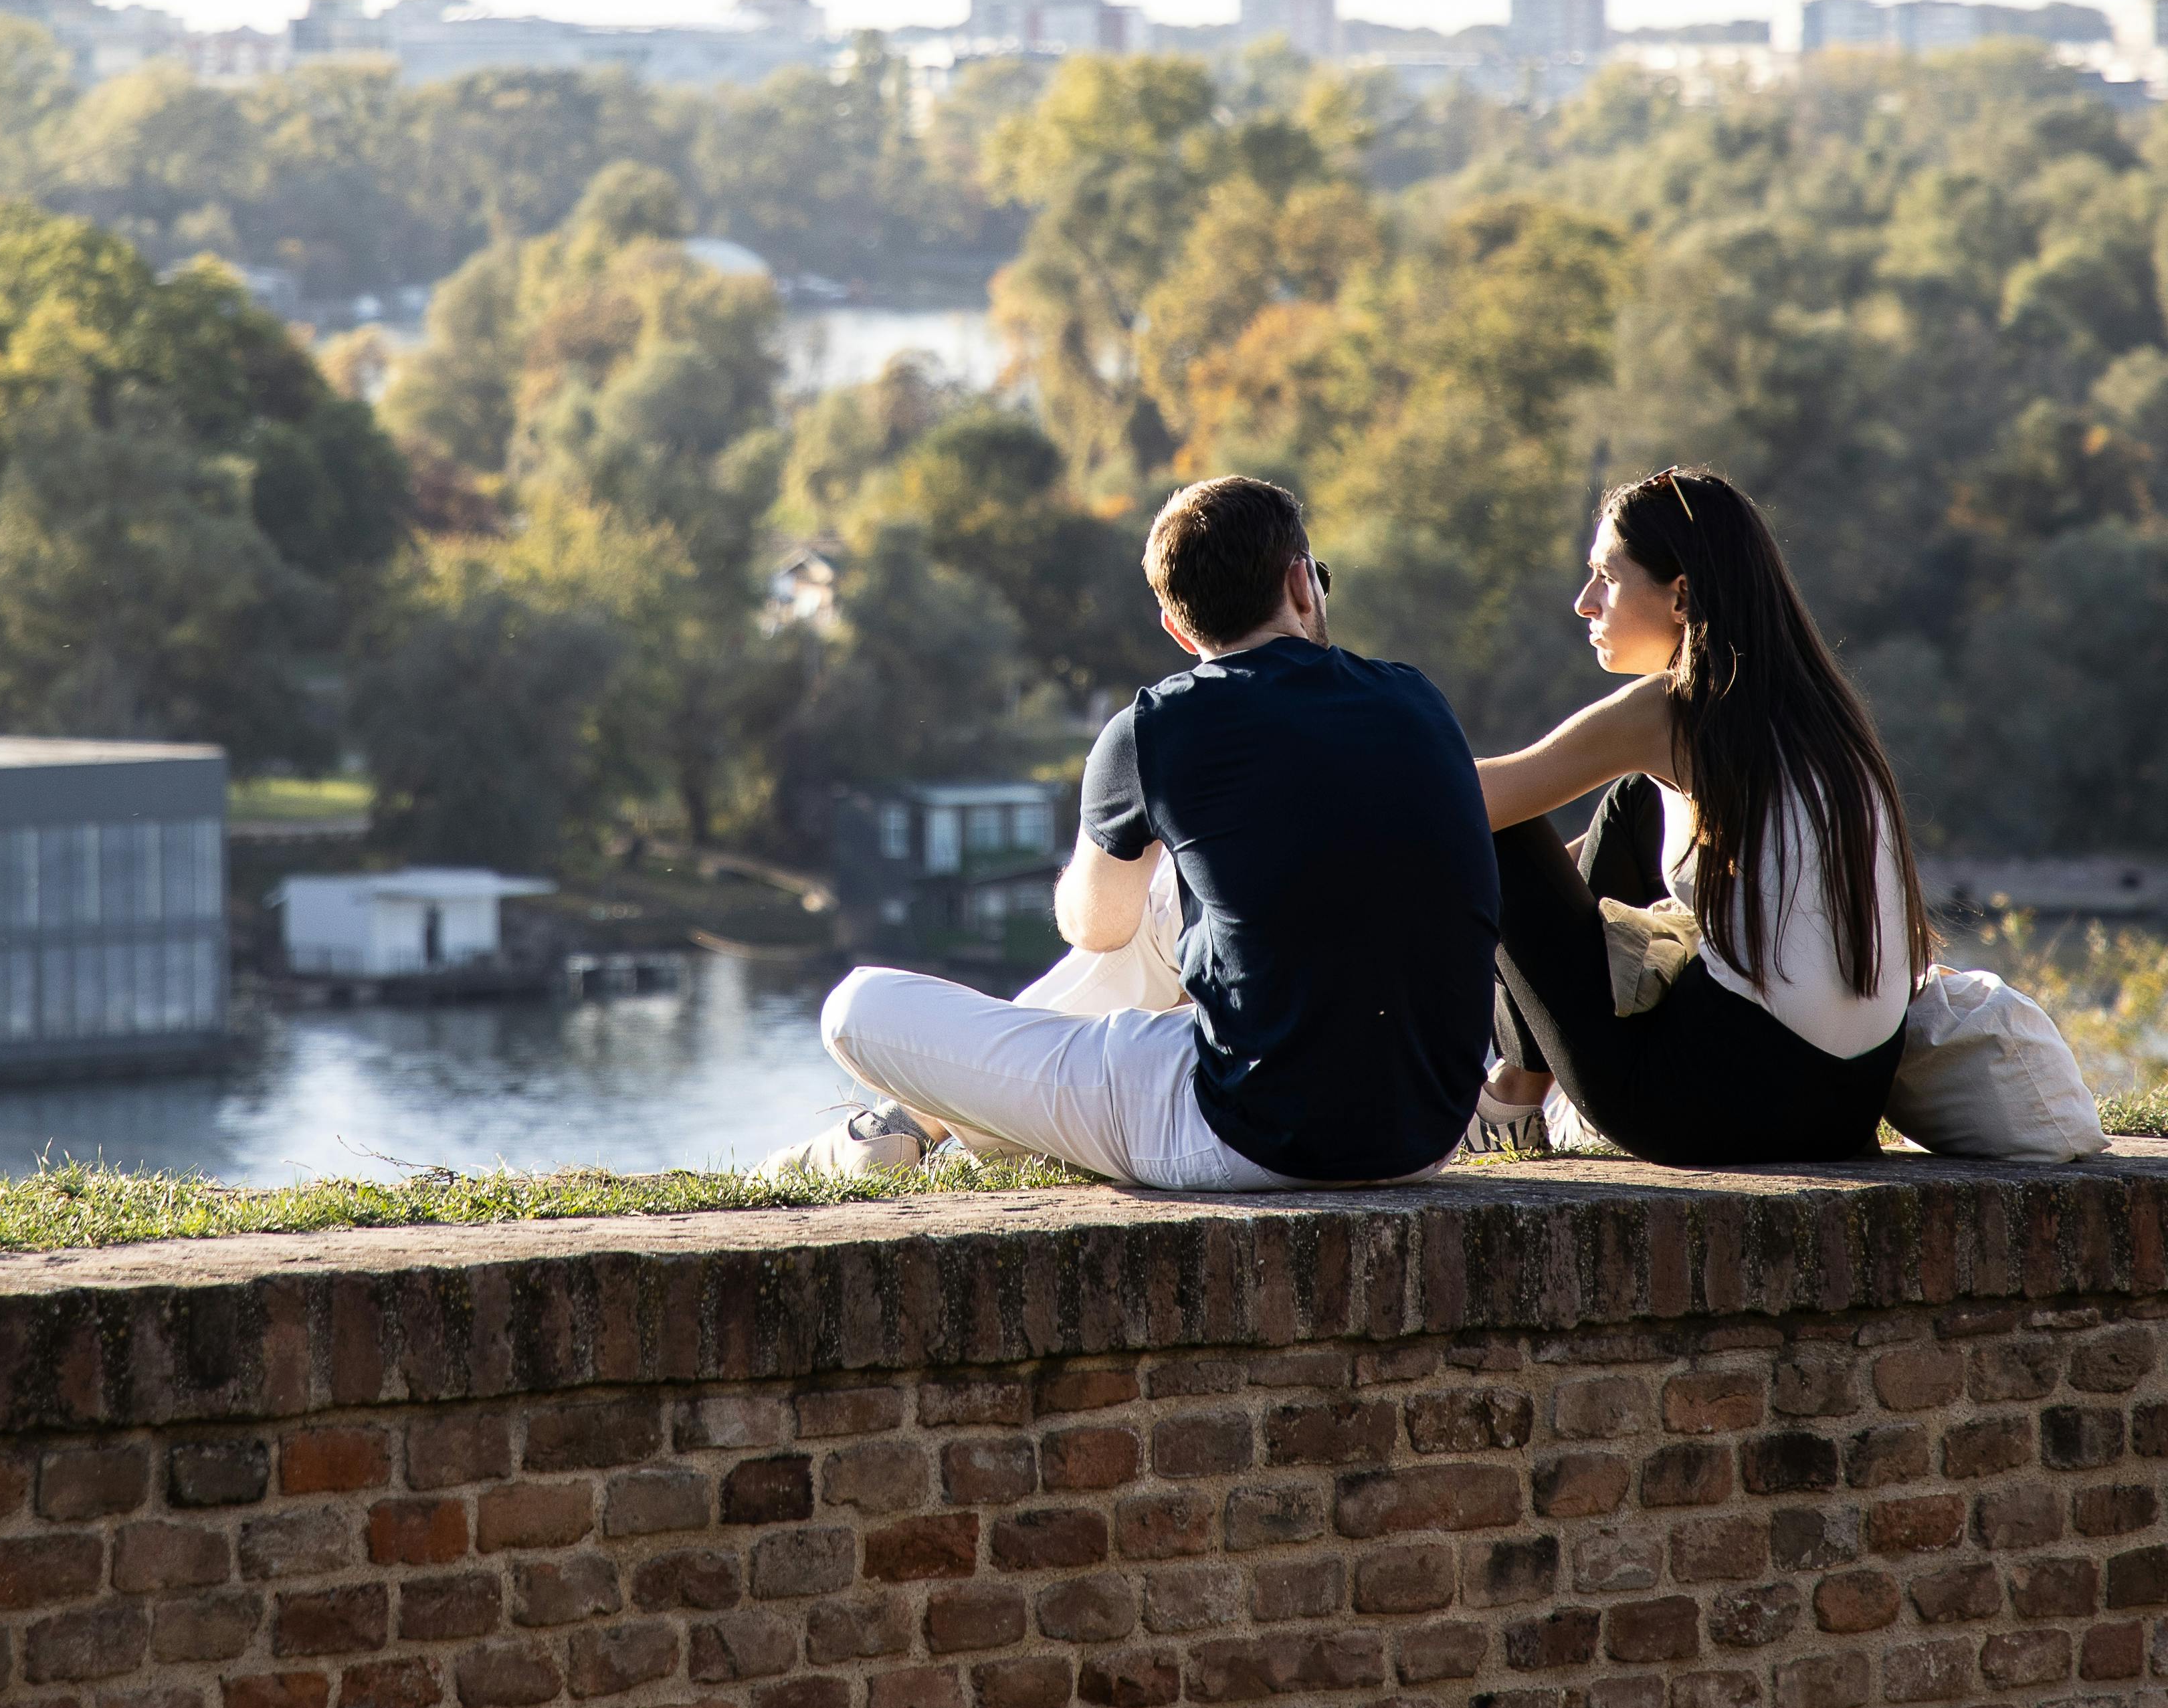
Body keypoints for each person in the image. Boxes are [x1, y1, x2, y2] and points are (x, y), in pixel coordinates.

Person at [787, 474, 1500, 1190]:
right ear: (1302, 584)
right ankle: (925, 1121)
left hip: (1256, 1138)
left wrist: (1137, 829)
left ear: (1179, 628)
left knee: (855, 1007)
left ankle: (912, 1120)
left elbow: (1096, 929)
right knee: (1171, 892)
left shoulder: (1156, 727)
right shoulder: (1417, 697)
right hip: (1428, 1130)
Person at [1467, 464, 1927, 1165]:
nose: (1584, 602)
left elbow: (1478, 801)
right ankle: (1515, 1090)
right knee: (1629, 802)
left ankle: (1507, 1098)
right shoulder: (1821, 717)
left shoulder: (1674, 711)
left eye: (1606, 577)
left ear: (1682, 595)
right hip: (1845, 1111)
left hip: (1709, 1109)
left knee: (1498, 834)